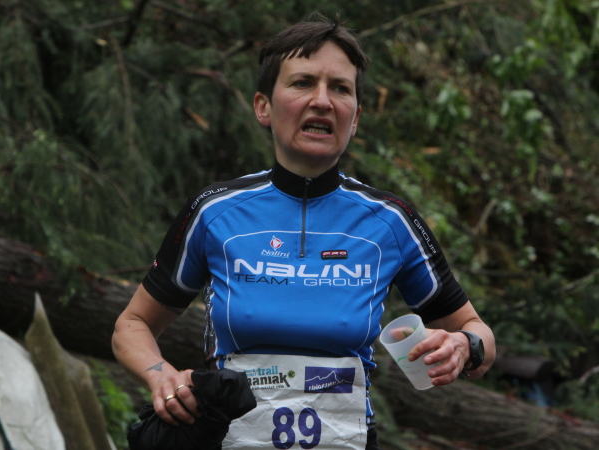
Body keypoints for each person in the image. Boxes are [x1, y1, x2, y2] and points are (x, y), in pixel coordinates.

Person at [112, 15, 495, 450]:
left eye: (340, 88)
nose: (322, 101)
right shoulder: (214, 212)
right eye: (303, 83)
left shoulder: (390, 220)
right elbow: (132, 324)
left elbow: (478, 332)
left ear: (355, 118)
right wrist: (161, 377)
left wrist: (465, 346)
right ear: (263, 107)